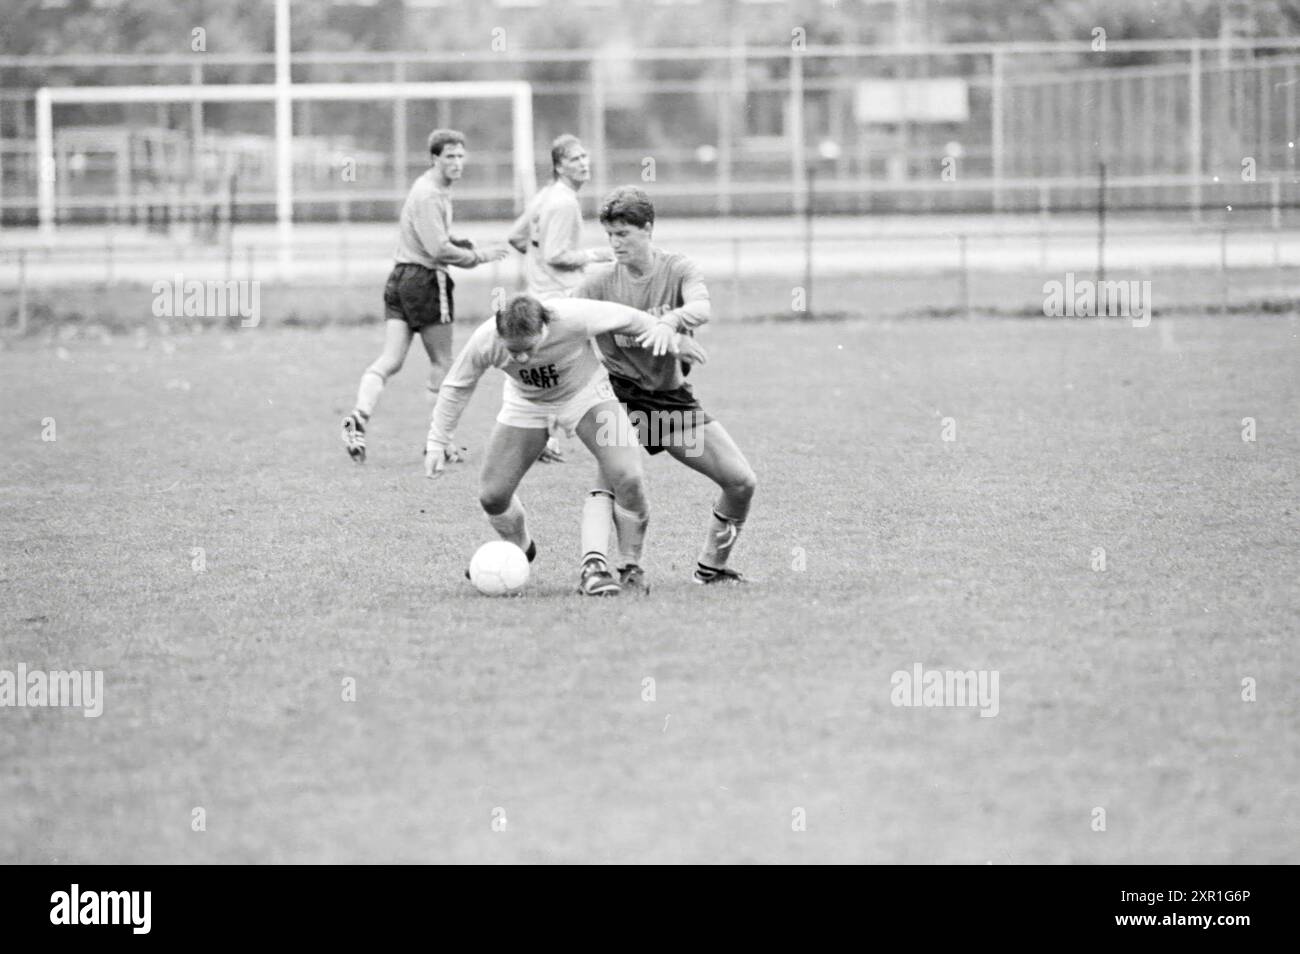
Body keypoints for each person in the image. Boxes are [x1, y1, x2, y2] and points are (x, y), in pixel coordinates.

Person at [424, 293, 705, 597]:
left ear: (544, 328)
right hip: (527, 403)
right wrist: (438, 440)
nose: (520, 358)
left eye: (527, 349)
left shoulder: (574, 316)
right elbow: (456, 385)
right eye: (512, 351)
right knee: (492, 496)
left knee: (629, 476)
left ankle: (629, 566)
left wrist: (674, 339)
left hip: (586, 395)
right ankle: (520, 548)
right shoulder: (486, 339)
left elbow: (632, 319)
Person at [571, 186, 757, 590]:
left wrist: (669, 325)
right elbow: (564, 323)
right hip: (616, 397)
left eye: (624, 234)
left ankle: (710, 568)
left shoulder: (677, 269)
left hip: (668, 405)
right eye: (610, 235)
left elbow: (702, 308)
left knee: (741, 482)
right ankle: (604, 569)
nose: (615, 243)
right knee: (613, 478)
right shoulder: (599, 281)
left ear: (648, 229)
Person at [341, 128, 508, 464]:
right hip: (425, 281)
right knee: (443, 363)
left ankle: (358, 417)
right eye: (450, 157)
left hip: (400, 277)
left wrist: (463, 243)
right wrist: (481, 257)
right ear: (435, 159)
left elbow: (435, 237)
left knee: (392, 359)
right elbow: (437, 249)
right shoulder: (430, 193)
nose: (458, 163)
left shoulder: (431, 189)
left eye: (461, 156)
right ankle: (440, 442)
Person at [507, 134, 614, 300]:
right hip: (560, 293)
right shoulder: (565, 203)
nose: (583, 164)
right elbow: (555, 255)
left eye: (583, 156)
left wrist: (538, 263)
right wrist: (593, 255)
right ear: (559, 168)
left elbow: (515, 236)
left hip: (537, 293)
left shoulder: (545, 194)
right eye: (574, 160)